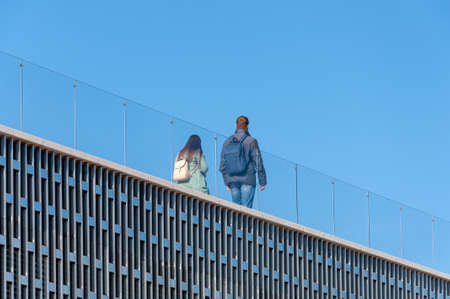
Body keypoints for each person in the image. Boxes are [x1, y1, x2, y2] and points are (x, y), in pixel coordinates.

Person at [220, 116, 267, 208]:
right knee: (246, 210)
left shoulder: (227, 142)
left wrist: (227, 182)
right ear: (247, 126)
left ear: (236, 126)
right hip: (247, 179)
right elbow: (258, 162)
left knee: (236, 210)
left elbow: (222, 165)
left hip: (232, 180)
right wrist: (262, 181)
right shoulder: (251, 141)